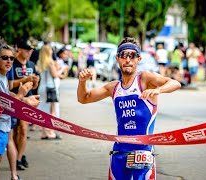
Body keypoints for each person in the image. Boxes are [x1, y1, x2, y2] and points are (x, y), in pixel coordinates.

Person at [77, 37, 181, 180]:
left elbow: (175, 83)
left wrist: (159, 90)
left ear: (139, 59)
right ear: (117, 59)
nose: (128, 60)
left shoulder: (145, 79)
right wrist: (82, 82)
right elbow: (84, 98)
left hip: (142, 151)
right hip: (119, 151)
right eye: (123, 56)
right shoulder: (114, 87)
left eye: (132, 56)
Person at [0, 44, 41, 180]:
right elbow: (3, 104)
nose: (9, 61)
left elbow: (6, 94)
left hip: (4, 124)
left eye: (11, 58)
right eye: (5, 58)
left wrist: (26, 99)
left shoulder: (3, 76)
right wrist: (21, 95)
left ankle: (15, 172)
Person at [10, 38, 40, 170]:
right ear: (19, 49)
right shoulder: (12, 63)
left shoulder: (32, 65)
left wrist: (35, 81)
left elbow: (33, 87)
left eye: (31, 50)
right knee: (15, 131)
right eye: (27, 49)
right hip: (14, 98)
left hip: (26, 101)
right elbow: (9, 85)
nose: (29, 52)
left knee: (23, 129)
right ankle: (18, 154)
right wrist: (25, 79)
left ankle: (18, 158)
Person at [36, 44, 63, 140]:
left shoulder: (40, 62)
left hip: (42, 87)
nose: (52, 51)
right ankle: (51, 132)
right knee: (52, 111)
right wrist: (62, 70)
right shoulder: (50, 62)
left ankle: (43, 133)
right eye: (51, 50)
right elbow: (55, 75)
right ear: (48, 52)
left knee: (43, 110)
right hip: (50, 88)